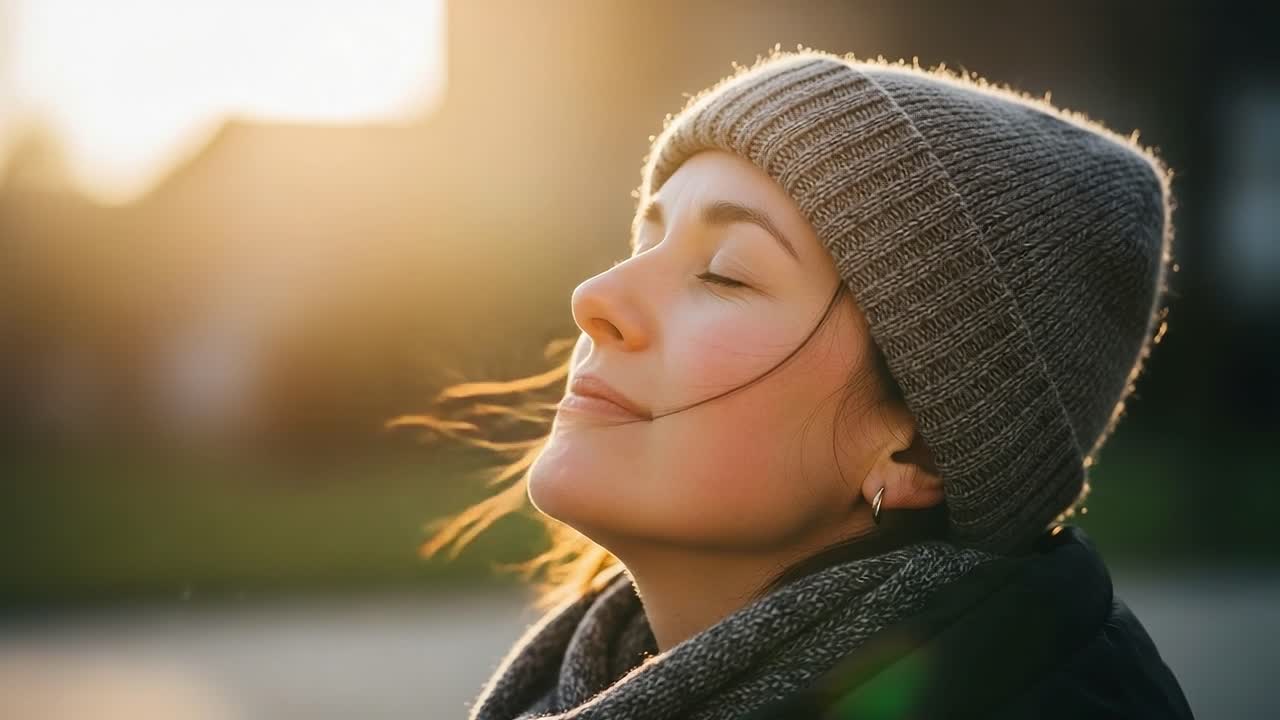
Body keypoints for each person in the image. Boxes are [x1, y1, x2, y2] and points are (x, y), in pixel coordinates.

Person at [412, 48, 1195, 719]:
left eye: (725, 275)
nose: (596, 298)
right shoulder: (566, 684)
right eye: (643, 242)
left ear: (916, 449)